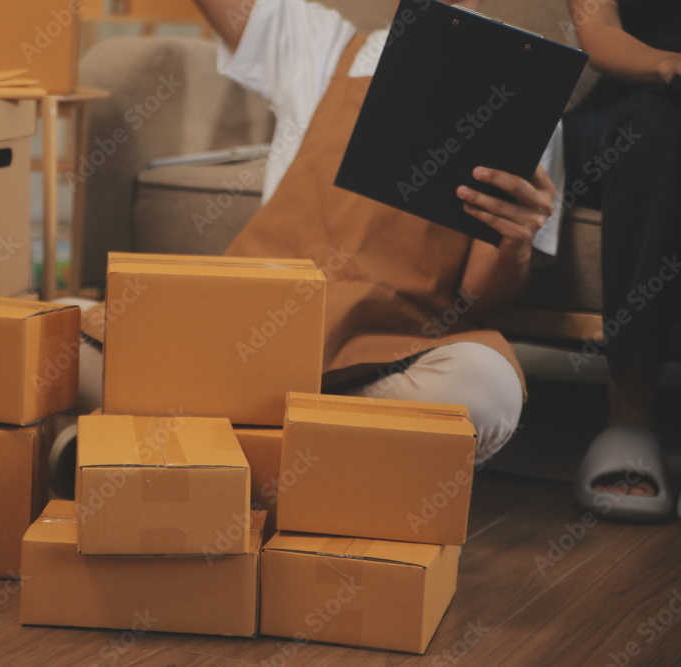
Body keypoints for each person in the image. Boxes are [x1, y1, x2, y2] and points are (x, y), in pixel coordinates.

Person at [56, 0, 564, 491]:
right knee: (53, 328)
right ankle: (308, 468)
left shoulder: (524, 96)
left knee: (482, 388)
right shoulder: (318, 45)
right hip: (244, 329)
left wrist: (515, 245)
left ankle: (178, 446)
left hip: (378, 354)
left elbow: (482, 298)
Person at [564, 0, 681, 522]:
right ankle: (630, 405)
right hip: (634, 109)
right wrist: (669, 65)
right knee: (662, 122)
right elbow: (600, 31)